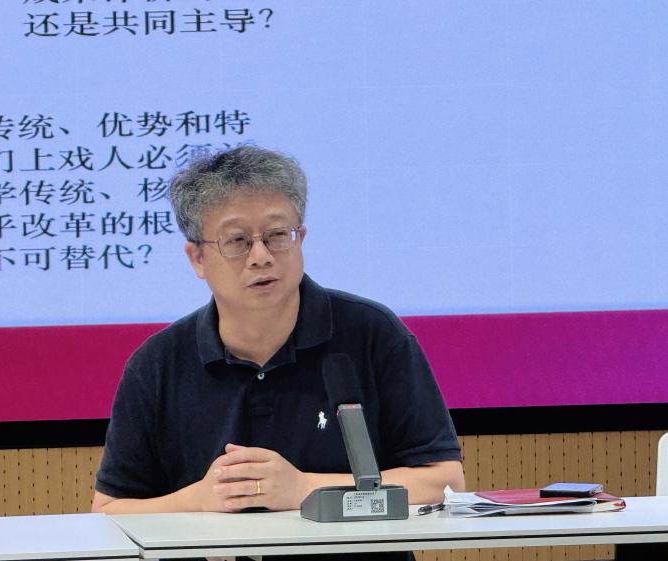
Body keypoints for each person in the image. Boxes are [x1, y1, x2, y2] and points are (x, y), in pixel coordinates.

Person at [92, 145, 464, 559]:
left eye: (276, 236)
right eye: (237, 241)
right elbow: (108, 511)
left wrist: (303, 488)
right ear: (197, 258)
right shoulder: (158, 363)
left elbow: (445, 482)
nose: (261, 257)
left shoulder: (373, 334)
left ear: (299, 238)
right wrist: (198, 500)